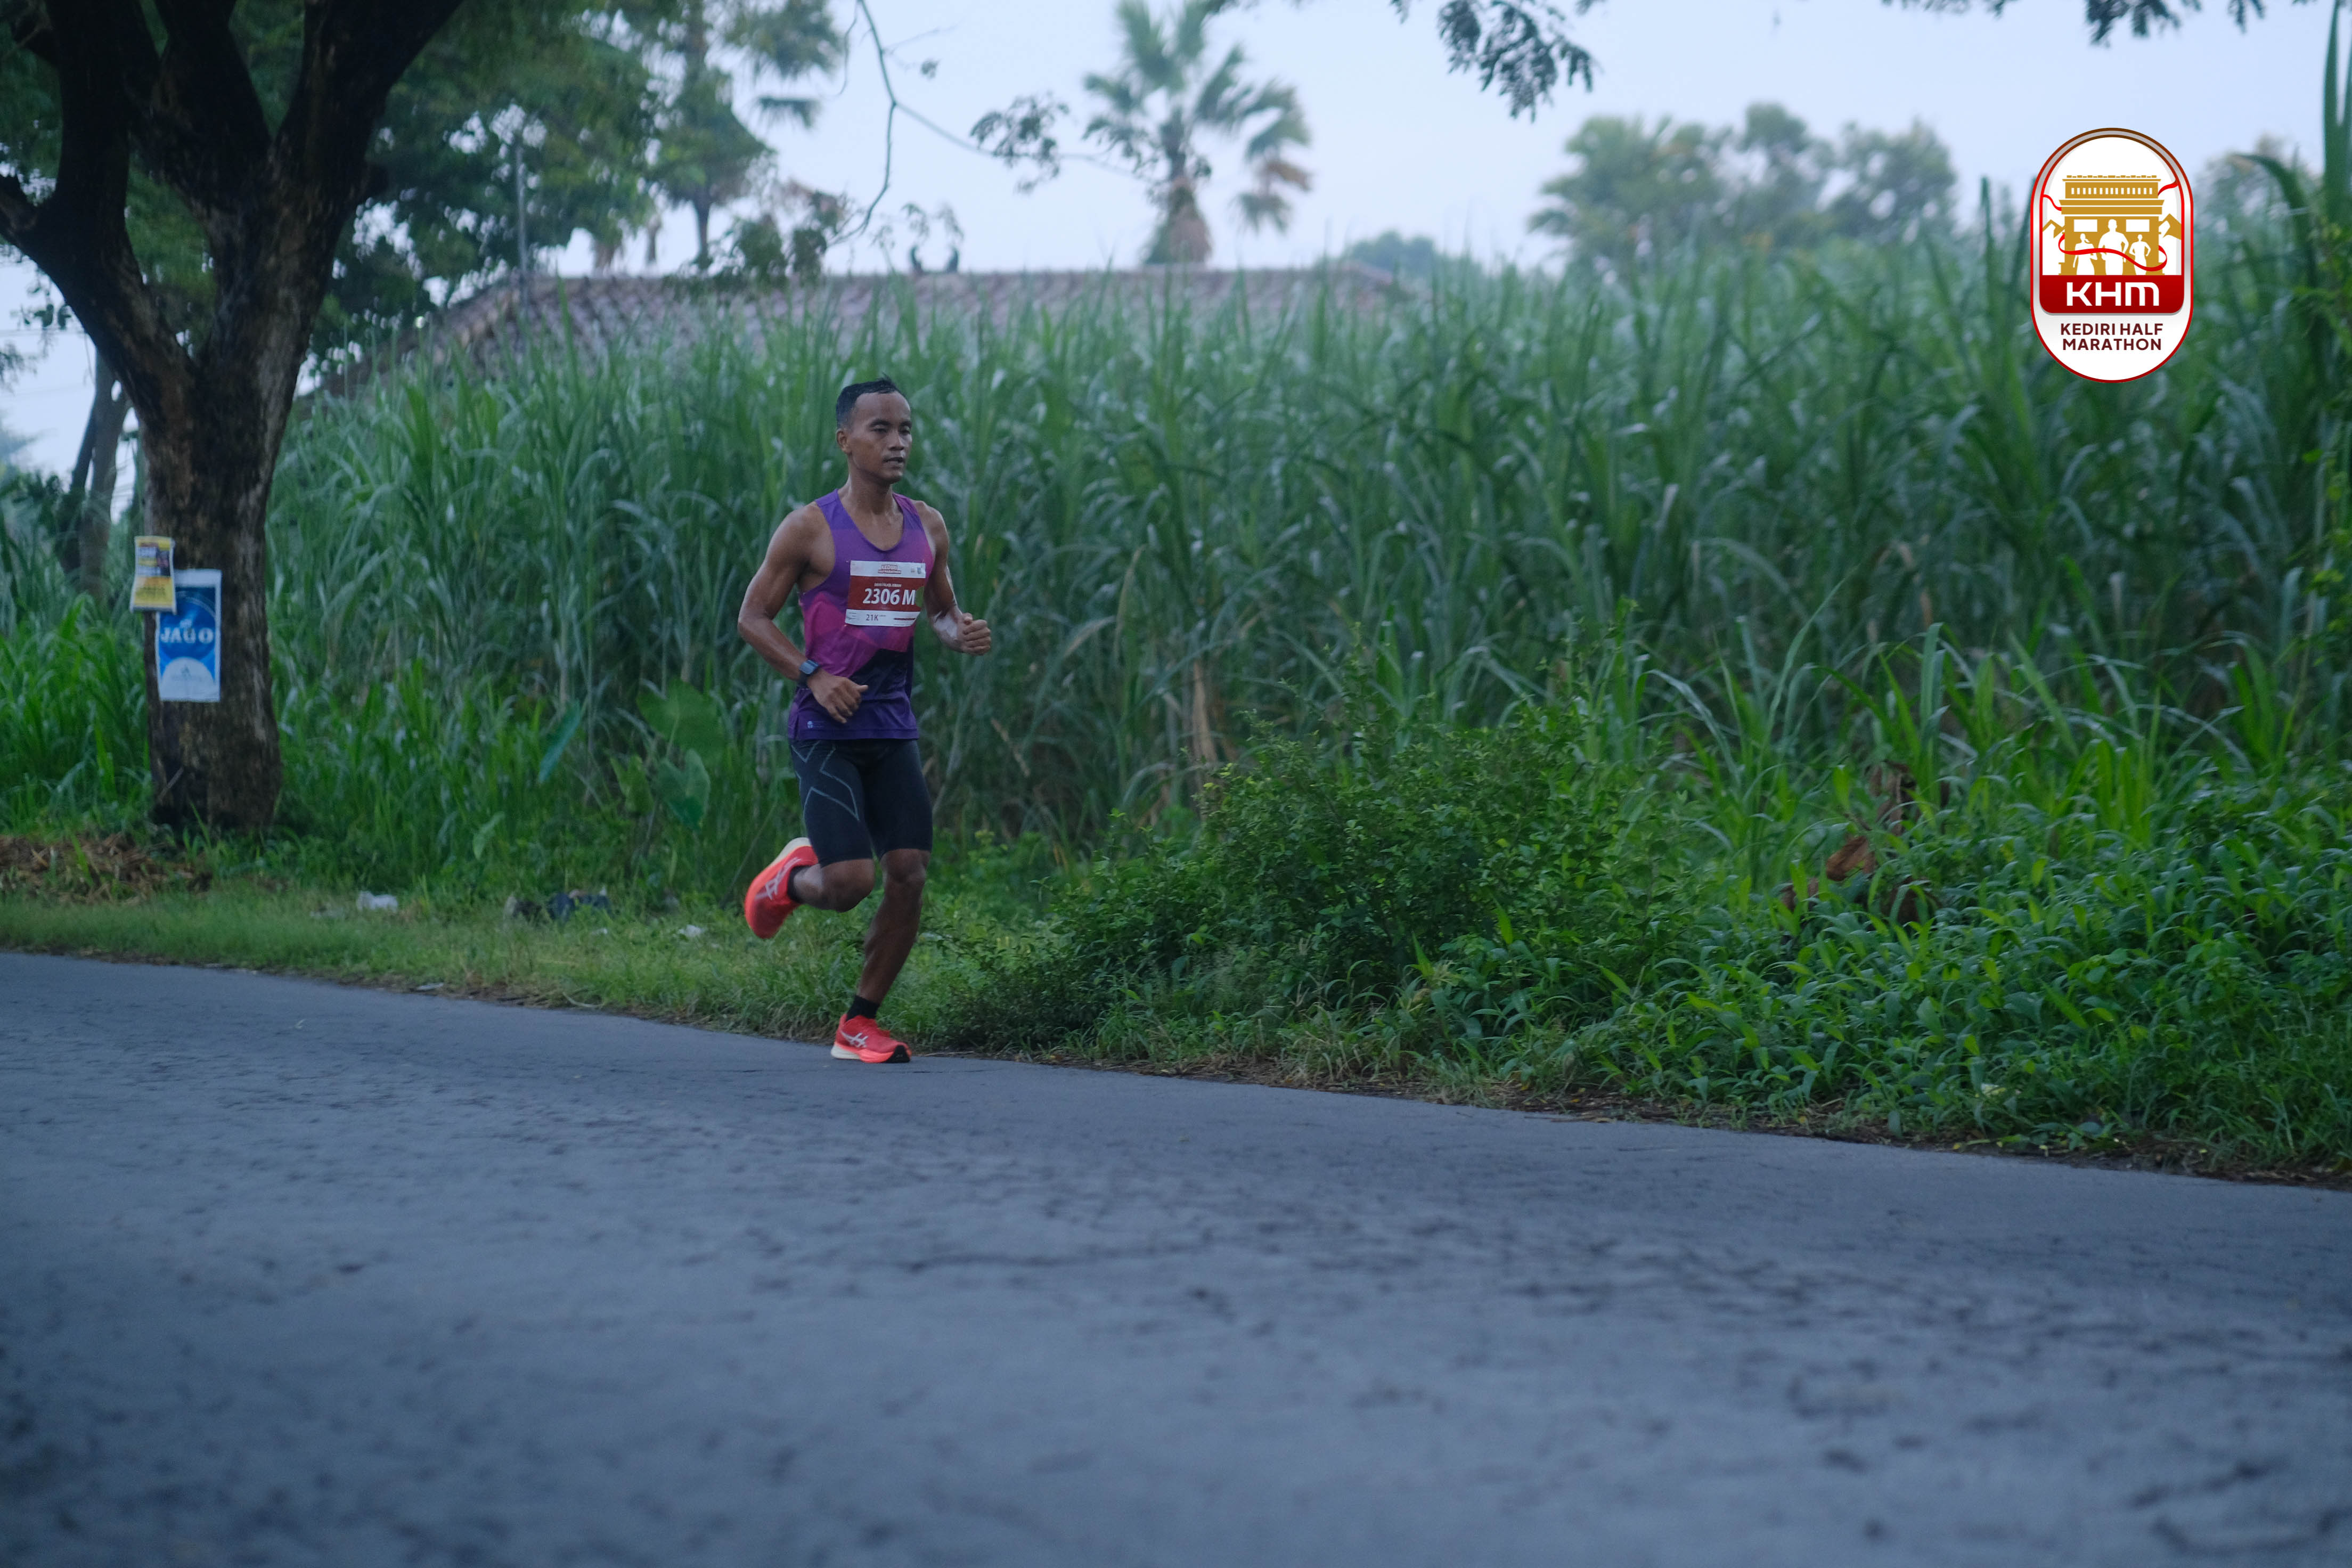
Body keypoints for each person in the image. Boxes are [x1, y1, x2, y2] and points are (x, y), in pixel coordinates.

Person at [735, 377, 992, 1063]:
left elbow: (940, 609)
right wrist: (813, 675)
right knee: (850, 884)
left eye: (905, 429)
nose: (897, 442)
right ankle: (788, 881)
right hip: (827, 731)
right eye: (880, 429)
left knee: (909, 873)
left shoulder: (927, 525)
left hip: (892, 726)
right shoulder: (810, 529)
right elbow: (752, 617)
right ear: (845, 440)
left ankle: (859, 1023)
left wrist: (958, 631)